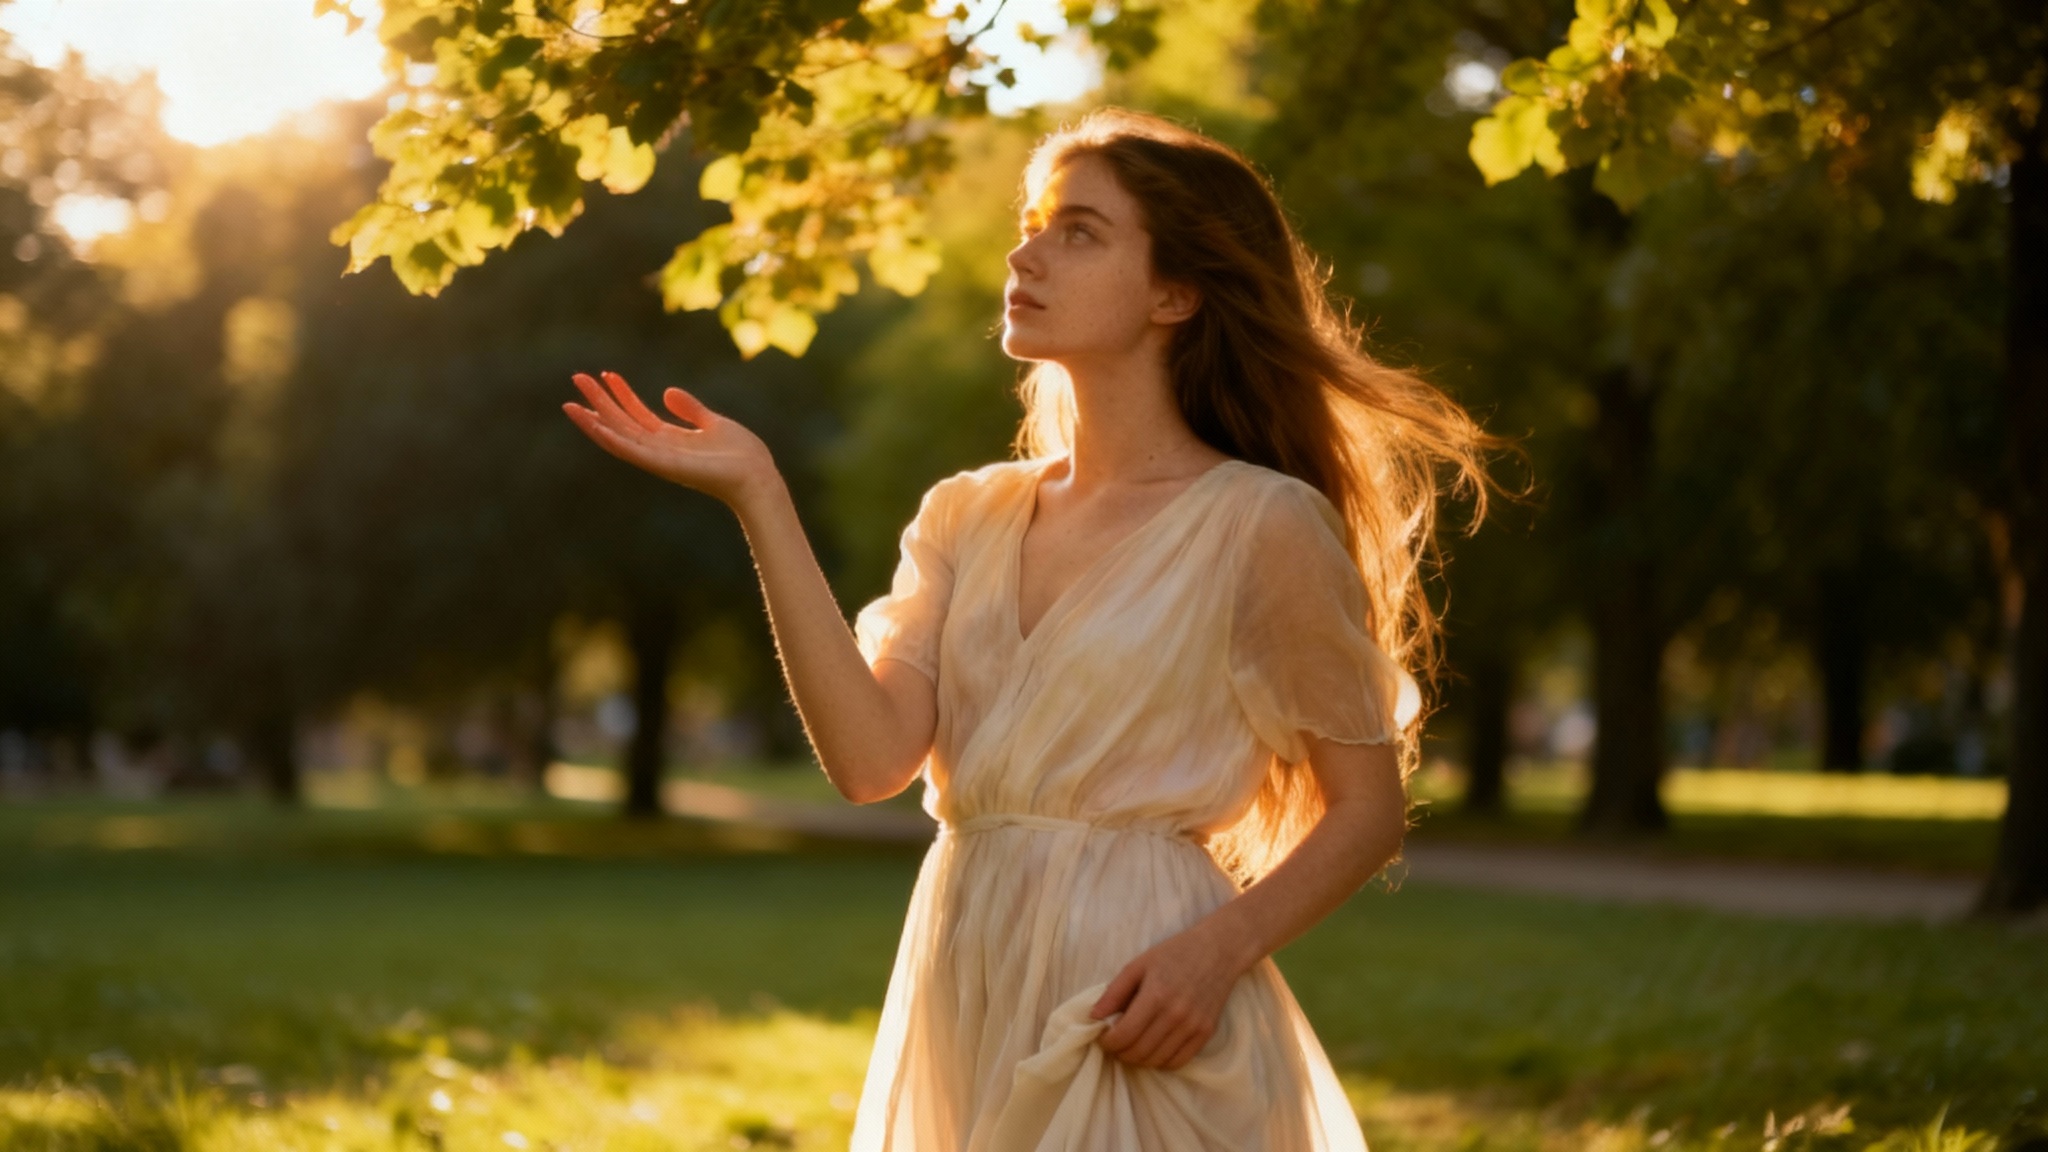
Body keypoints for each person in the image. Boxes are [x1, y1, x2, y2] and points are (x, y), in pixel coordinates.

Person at [562, 107, 1500, 1151]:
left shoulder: (1260, 522)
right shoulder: (968, 512)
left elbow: (1364, 812)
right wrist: (759, 498)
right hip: (966, 968)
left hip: (1142, 999)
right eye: (1032, 222)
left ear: (1174, 294)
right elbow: (868, 761)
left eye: (1078, 231)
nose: (1024, 253)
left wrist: (1212, 955)